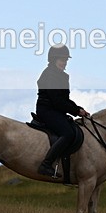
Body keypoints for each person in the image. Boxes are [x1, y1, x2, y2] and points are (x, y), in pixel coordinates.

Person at [35, 44, 90, 178]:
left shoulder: (61, 76)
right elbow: (57, 100)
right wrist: (76, 111)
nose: (65, 63)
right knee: (68, 133)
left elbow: (65, 99)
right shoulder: (50, 75)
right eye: (62, 60)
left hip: (55, 110)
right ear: (54, 60)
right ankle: (46, 164)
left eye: (66, 60)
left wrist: (79, 109)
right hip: (47, 110)